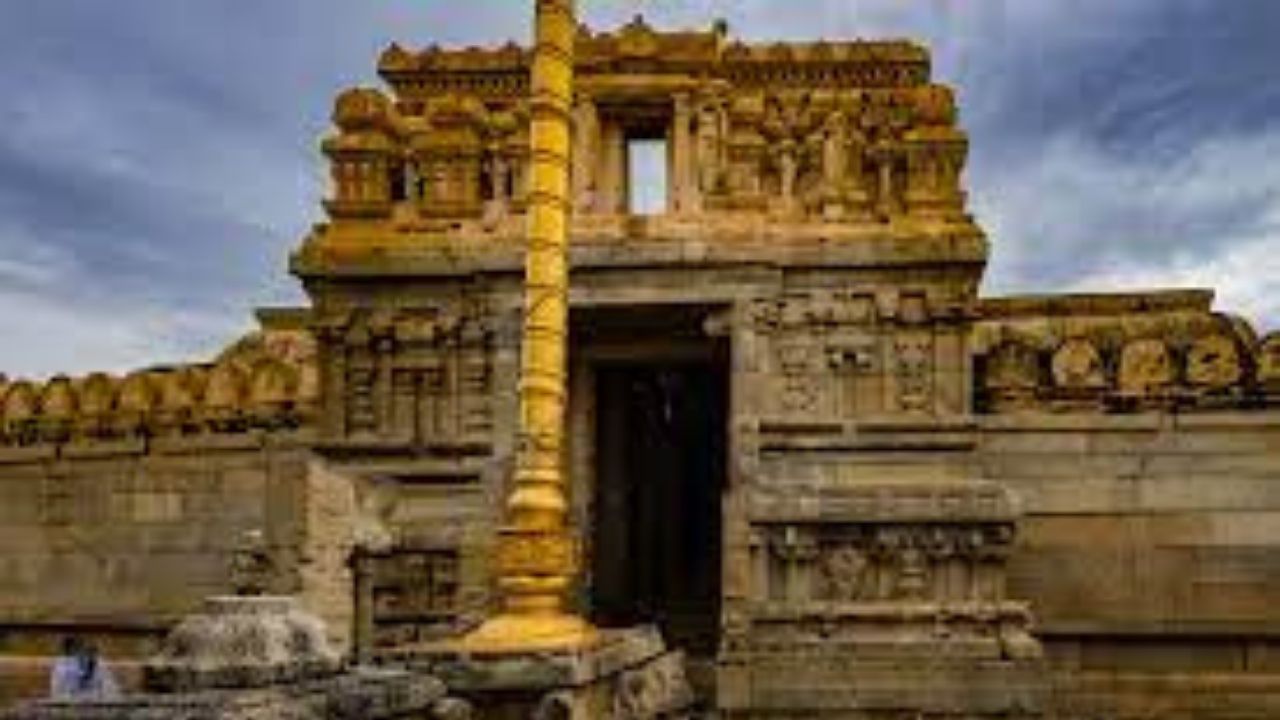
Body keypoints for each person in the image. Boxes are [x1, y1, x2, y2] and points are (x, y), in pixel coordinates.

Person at [50, 636, 120, 701]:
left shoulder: (99, 664)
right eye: (74, 650)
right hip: (72, 708)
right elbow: (58, 695)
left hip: (97, 706)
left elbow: (111, 692)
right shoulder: (61, 667)